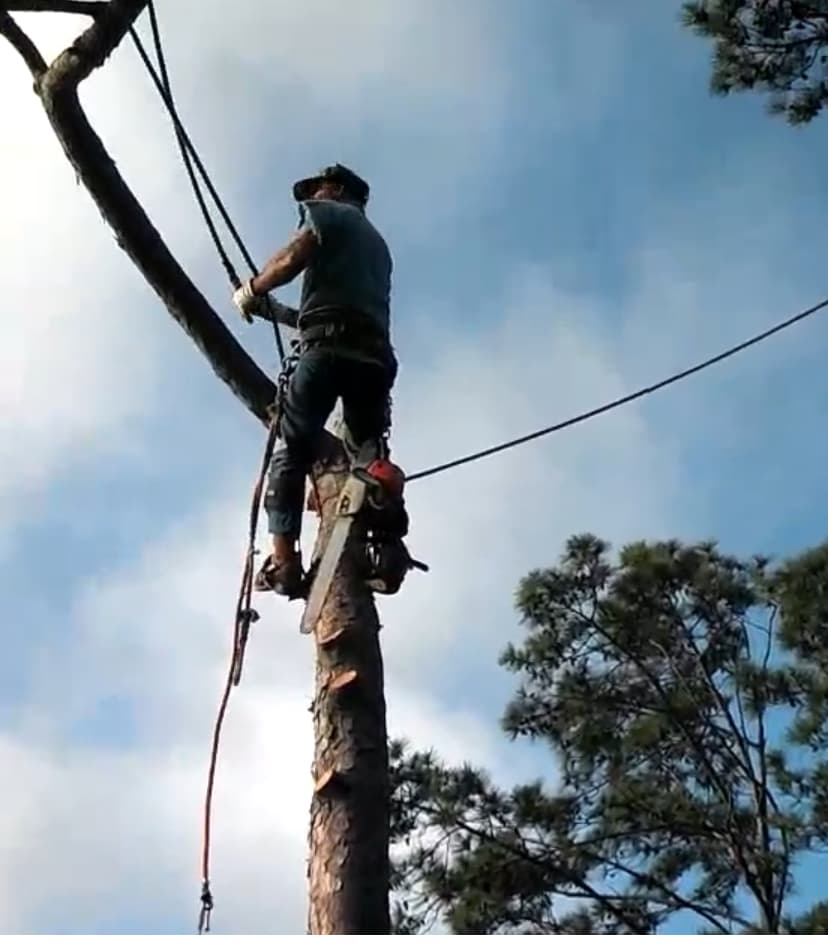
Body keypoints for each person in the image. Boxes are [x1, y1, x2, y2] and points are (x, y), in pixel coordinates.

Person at [232, 164, 398, 597]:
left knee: (292, 448)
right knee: (365, 456)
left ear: (338, 190)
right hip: (373, 357)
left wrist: (254, 287)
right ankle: (384, 544)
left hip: (328, 352)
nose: (313, 196)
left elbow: (292, 257)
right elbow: (336, 310)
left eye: (319, 189)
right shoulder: (377, 246)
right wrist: (277, 313)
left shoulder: (330, 215)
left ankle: (284, 561)